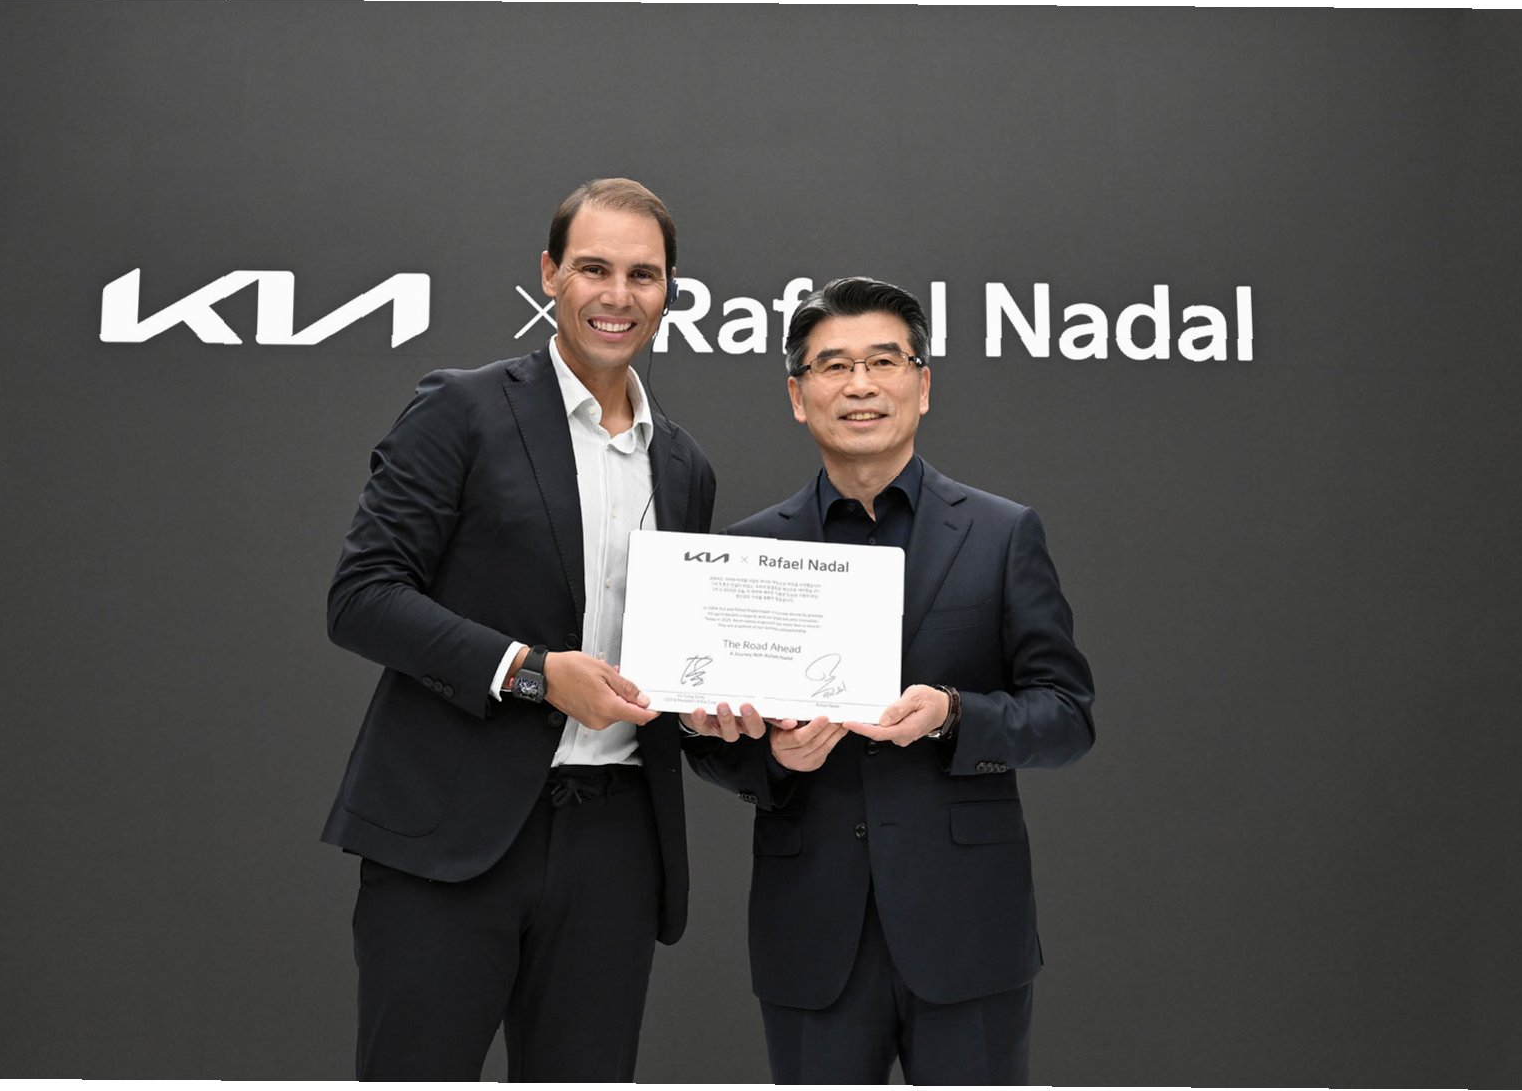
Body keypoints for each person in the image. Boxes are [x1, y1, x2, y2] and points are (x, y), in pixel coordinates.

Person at [322, 178, 715, 1081]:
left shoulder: (683, 463)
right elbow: (362, 595)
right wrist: (530, 670)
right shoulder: (460, 409)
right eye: (593, 268)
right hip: (449, 832)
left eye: (643, 275)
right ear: (548, 273)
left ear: (669, 290)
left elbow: (671, 658)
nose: (618, 295)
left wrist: (709, 709)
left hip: (616, 845)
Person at [684, 276, 1094, 1084]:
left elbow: (1066, 715)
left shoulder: (1001, 533)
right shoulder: (748, 551)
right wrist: (771, 756)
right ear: (797, 396)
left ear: (922, 384)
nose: (860, 385)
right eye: (833, 366)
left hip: (968, 930)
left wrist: (951, 713)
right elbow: (704, 739)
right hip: (811, 934)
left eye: (883, 361)